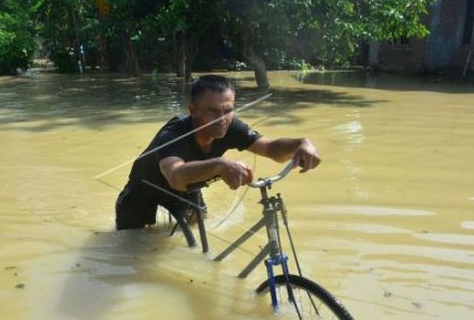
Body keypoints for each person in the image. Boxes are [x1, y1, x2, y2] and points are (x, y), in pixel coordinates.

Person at [115, 75, 322, 230]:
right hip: (144, 190)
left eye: (228, 111)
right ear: (193, 110)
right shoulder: (173, 134)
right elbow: (176, 176)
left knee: (199, 223)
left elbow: (270, 148)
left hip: (184, 190)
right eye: (212, 111)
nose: (222, 119)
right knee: (131, 246)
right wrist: (220, 165)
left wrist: (299, 144)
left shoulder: (230, 126)